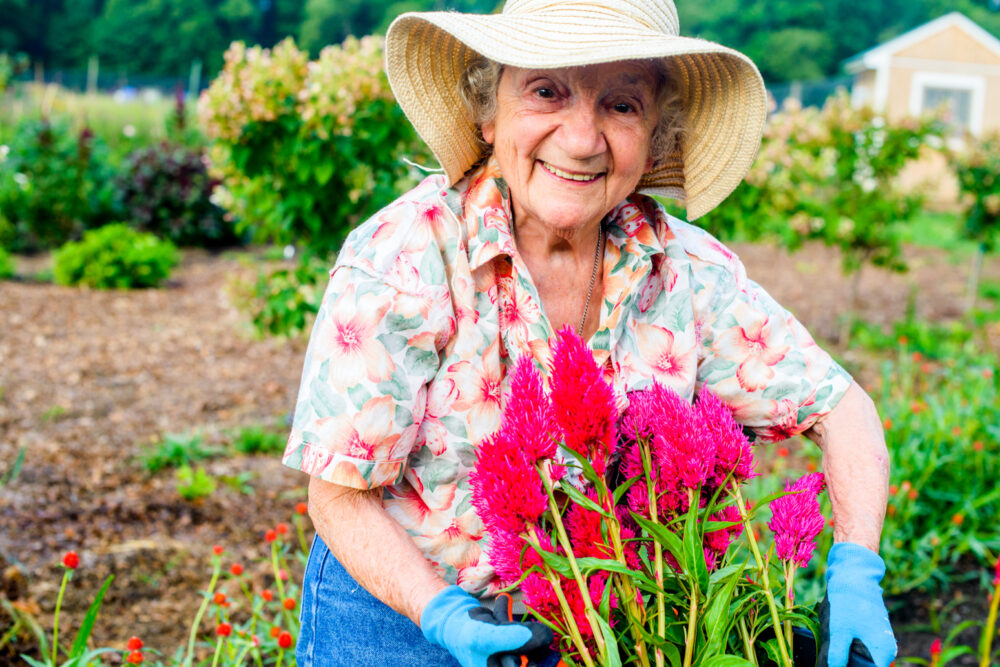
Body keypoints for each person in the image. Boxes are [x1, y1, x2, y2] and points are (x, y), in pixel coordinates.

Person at [281, 1, 898, 665]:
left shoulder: (684, 267)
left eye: (622, 105)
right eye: (547, 92)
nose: (581, 139)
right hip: (397, 613)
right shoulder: (404, 253)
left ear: (657, 135)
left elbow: (842, 408)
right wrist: (440, 612)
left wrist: (857, 567)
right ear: (489, 114)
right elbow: (339, 492)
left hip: (595, 626)